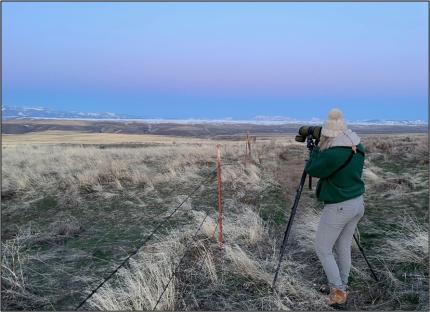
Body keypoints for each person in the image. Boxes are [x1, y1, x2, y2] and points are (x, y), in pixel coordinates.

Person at [305, 108, 365, 306]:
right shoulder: (357, 145)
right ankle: (342, 285)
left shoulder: (334, 154)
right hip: (357, 203)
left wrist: (314, 151)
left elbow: (312, 169)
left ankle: (338, 292)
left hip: (339, 206)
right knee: (343, 245)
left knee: (322, 248)